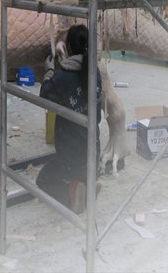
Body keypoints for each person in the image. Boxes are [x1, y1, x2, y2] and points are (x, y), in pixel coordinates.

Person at [36, 24, 102, 214]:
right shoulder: (95, 72)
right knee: (80, 169)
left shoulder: (62, 78)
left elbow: (45, 96)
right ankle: (87, 183)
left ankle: (71, 196)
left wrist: (49, 71)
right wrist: (64, 64)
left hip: (71, 154)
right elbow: (76, 78)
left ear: (69, 47)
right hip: (92, 150)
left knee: (43, 180)